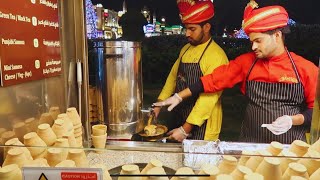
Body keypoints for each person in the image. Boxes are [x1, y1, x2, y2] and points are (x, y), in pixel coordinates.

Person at [154, 0, 318, 144]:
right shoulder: (247, 63)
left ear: (277, 35)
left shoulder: (305, 69)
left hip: (290, 148)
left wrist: (293, 120)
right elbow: (212, 80)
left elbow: (316, 111)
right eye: (252, 41)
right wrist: (178, 96)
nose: (253, 47)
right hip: (250, 143)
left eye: (258, 41)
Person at [153, 0, 228, 142]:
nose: (187, 34)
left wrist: (185, 129)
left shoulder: (217, 56)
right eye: (186, 28)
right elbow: (173, 78)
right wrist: (158, 105)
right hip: (181, 115)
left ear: (206, 27)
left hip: (202, 123)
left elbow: (208, 100)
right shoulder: (186, 49)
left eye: (192, 29)